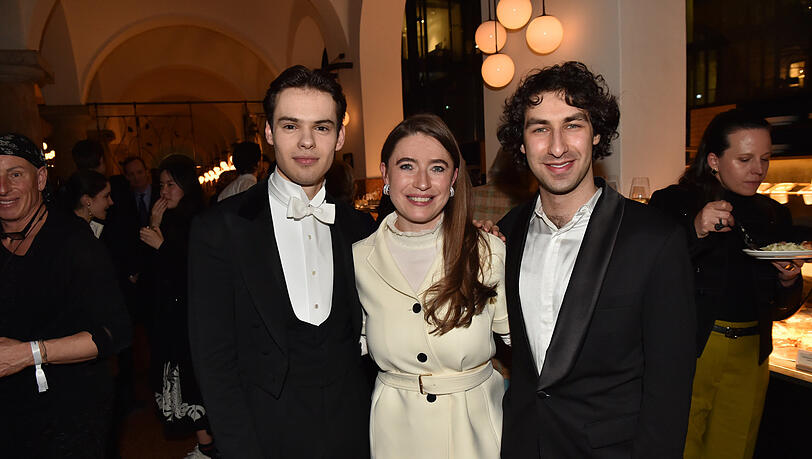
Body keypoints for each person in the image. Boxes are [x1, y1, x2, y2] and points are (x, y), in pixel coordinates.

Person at [495, 62, 696, 458]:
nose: (556, 146)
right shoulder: (505, 235)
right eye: (539, 128)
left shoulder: (654, 240)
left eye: (573, 125)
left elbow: (669, 387)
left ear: (597, 133)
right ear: (520, 143)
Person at [188, 65, 374, 458]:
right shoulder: (219, 228)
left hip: (355, 434)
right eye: (291, 126)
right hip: (263, 438)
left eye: (322, 128)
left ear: (339, 136)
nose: (307, 142)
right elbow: (213, 360)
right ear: (269, 133)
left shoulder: (360, 227)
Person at [649, 109, 804, 458]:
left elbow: (782, 306)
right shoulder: (675, 202)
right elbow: (648, 276)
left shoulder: (773, 212)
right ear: (715, 160)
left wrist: (788, 279)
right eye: (745, 158)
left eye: (765, 159)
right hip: (692, 349)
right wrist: (695, 230)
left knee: (735, 449)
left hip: (752, 352)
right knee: (677, 447)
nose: (758, 170)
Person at [353, 114, 509, 458]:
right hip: (394, 435)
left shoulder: (488, 252)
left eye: (437, 168)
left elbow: (528, 348)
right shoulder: (357, 260)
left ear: (454, 177)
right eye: (407, 166)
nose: (422, 183)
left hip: (476, 433)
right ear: (385, 174)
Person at [0, 133, 131, 457]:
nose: (2, 188)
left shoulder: (73, 243)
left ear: (41, 177)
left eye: (15, 174)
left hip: (69, 406)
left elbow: (114, 333)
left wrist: (29, 354)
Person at [138, 154, 214, 458]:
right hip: (170, 316)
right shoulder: (167, 220)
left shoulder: (200, 220)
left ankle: (211, 444)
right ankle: (205, 443)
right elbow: (149, 274)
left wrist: (163, 246)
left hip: (193, 318)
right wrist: (155, 226)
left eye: (171, 184)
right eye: (161, 184)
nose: (164, 191)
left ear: (186, 185)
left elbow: (197, 274)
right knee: (180, 379)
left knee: (197, 380)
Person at [62, 169, 113, 238]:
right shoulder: (78, 235)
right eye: (106, 196)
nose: (111, 202)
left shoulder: (78, 227)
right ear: (87, 200)